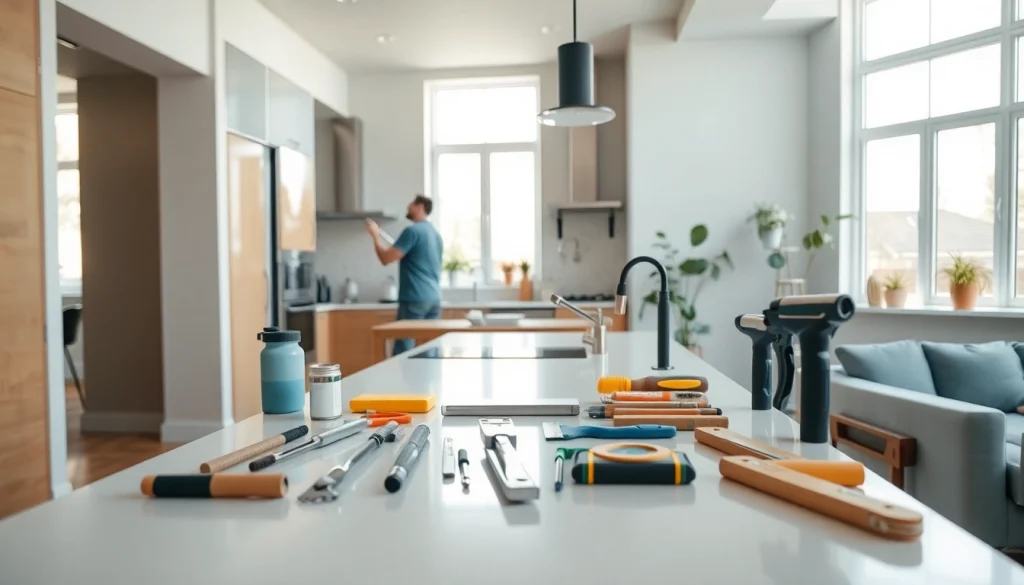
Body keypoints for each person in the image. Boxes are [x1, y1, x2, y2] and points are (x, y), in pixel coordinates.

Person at [365, 194, 443, 356]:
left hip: (415, 298)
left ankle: (402, 382)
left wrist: (375, 236)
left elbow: (386, 258)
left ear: (420, 207)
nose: (408, 207)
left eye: (412, 204)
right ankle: (428, 382)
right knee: (429, 349)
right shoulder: (435, 235)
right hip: (434, 298)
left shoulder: (412, 231)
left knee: (403, 351)